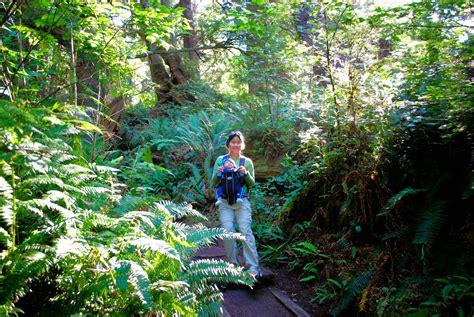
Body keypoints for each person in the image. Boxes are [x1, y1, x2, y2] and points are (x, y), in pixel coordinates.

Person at [212, 130, 261, 278]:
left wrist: (245, 173)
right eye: (233, 142)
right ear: (228, 145)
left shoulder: (247, 162)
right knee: (228, 232)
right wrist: (218, 172)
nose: (236, 144)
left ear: (242, 144)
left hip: (242, 201)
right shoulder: (221, 160)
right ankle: (233, 266)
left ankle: (253, 267)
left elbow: (252, 184)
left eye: (238, 142)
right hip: (225, 202)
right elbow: (214, 182)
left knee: (245, 231)